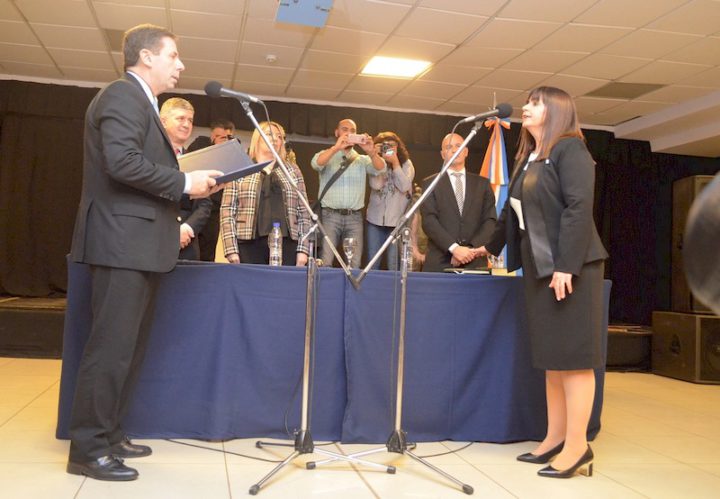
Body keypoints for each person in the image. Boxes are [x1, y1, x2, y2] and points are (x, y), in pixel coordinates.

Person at [66, 24, 222, 481]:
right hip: (121, 244)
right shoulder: (121, 95)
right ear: (147, 57)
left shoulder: (144, 104)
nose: (181, 65)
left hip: (140, 246)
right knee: (110, 349)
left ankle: (109, 433)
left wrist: (192, 179)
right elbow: (121, 162)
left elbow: (140, 167)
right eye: (173, 56)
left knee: (127, 349)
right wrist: (182, 182)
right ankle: (87, 449)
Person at [477, 86, 609, 479]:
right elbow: (509, 217)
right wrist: (481, 250)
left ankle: (577, 446)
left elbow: (578, 209)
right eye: (528, 102)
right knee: (553, 361)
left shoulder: (572, 150)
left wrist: (566, 265)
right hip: (539, 270)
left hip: (572, 270)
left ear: (556, 110)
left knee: (574, 360)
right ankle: (554, 438)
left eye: (535, 103)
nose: (526, 108)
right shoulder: (529, 156)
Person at [220, 121, 310, 265]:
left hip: (287, 244)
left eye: (279, 136)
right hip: (248, 245)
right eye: (269, 134)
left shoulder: (293, 171)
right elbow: (228, 210)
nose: (275, 139)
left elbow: (304, 211)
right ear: (257, 138)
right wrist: (231, 248)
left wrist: (303, 249)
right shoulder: (240, 168)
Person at [311, 118, 386, 267]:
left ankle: (351, 290)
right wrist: (336, 148)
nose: (348, 133)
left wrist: (371, 152)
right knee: (325, 261)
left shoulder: (362, 159)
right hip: (329, 216)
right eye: (345, 129)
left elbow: (381, 168)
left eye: (352, 131)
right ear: (337, 132)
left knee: (354, 264)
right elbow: (316, 164)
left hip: (355, 217)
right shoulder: (326, 154)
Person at [420, 133, 496, 272]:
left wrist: (468, 251)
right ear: (443, 154)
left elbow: (490, 220)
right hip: (440, 262)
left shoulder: (483, 184)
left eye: (458, 146)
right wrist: (454, 248)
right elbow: (429, 221)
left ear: (466, 151)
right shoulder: (430, 183)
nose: (455, 150)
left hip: (475, 262)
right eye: (449, 147)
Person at [159, 97, 212, 260]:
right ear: (163, 121)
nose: (187, 124)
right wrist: (172, 231)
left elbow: (205, 204)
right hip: (155, 242)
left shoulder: (196, 161)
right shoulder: (148, 158)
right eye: (180, 118)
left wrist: (187, 229)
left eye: (190, 120)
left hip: (188, 246)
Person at [365, 132, 415, 270]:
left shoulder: (406, 164)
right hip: (375, 221)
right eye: (384, 146)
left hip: (397, 223)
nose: (388, 149)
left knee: (394, 264)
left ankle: (394, 292)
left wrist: (395, 163)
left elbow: (404, 186)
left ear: (398, 147)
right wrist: (378, 159)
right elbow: (376, 185)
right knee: (372, 262)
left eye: (391, 146)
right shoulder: (374, 164)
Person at [190, 119, 237, 261]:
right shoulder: (200, 146)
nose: (225, 140)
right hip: (195, 204)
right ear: (212, 137)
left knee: (209, 248)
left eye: (229, 137)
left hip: (215, 208)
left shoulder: (233, 154)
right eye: (222, 137)